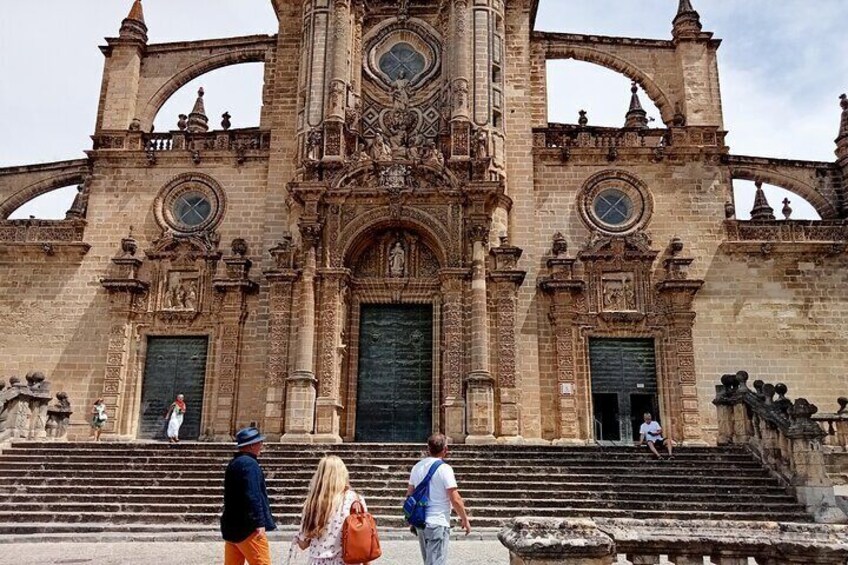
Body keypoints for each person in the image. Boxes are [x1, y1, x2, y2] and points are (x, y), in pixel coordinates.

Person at [408, 433, 471, 565]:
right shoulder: (445, 469)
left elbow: (410, 495)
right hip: (438, 522)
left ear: (428, 449)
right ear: (445, 450)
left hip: (421, 522)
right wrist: (464, 519)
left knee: (429, 562)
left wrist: (411, 518)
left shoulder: (417, 467)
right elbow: (455, 499)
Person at [292, 456, 366, 564]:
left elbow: (304, 543)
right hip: (347, 561)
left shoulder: (312, 503)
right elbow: (364, 535)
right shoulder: (355, 500)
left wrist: (297, 539)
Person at [221, 426, 276, 565]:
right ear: (252, 445)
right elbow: (253, 495)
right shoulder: (250, 464)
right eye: (260, 442)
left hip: (232, 528)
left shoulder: (234, 463)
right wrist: (259, 522)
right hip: (248, 529)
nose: (262, 446)